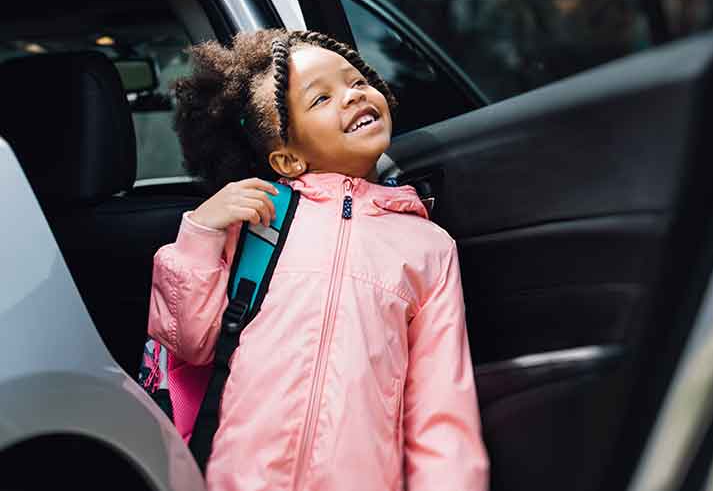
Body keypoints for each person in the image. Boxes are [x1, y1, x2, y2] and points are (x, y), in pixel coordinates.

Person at [147, 29, 489, 491]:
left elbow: (440, 407)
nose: (352, 96)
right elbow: (190, 342)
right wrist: (200, 232)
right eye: (321, 98)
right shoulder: (257, 221)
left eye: (356, 82)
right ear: (287, 159)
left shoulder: (427, 246)